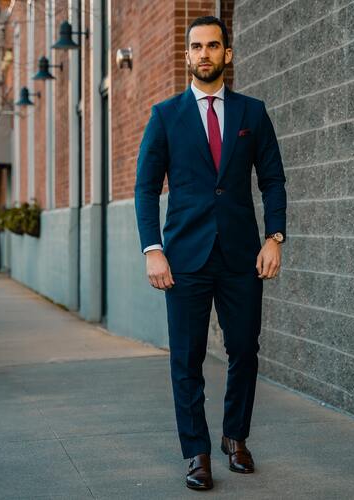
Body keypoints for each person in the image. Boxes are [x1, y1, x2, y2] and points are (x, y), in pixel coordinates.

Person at [134, 15, 287, 491]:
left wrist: (274, 237)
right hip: (184, 257)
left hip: (242, 255)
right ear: (187, 56)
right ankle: (196, 451)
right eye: (196, 46)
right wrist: (153, 249)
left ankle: (234, 437)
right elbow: (144, 188)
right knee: (187, 357)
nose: (205, 54)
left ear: (228, 54)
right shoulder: (165, 116)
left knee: (244, 350)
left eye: (213, 46)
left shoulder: (252, 113)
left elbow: (273, 179)